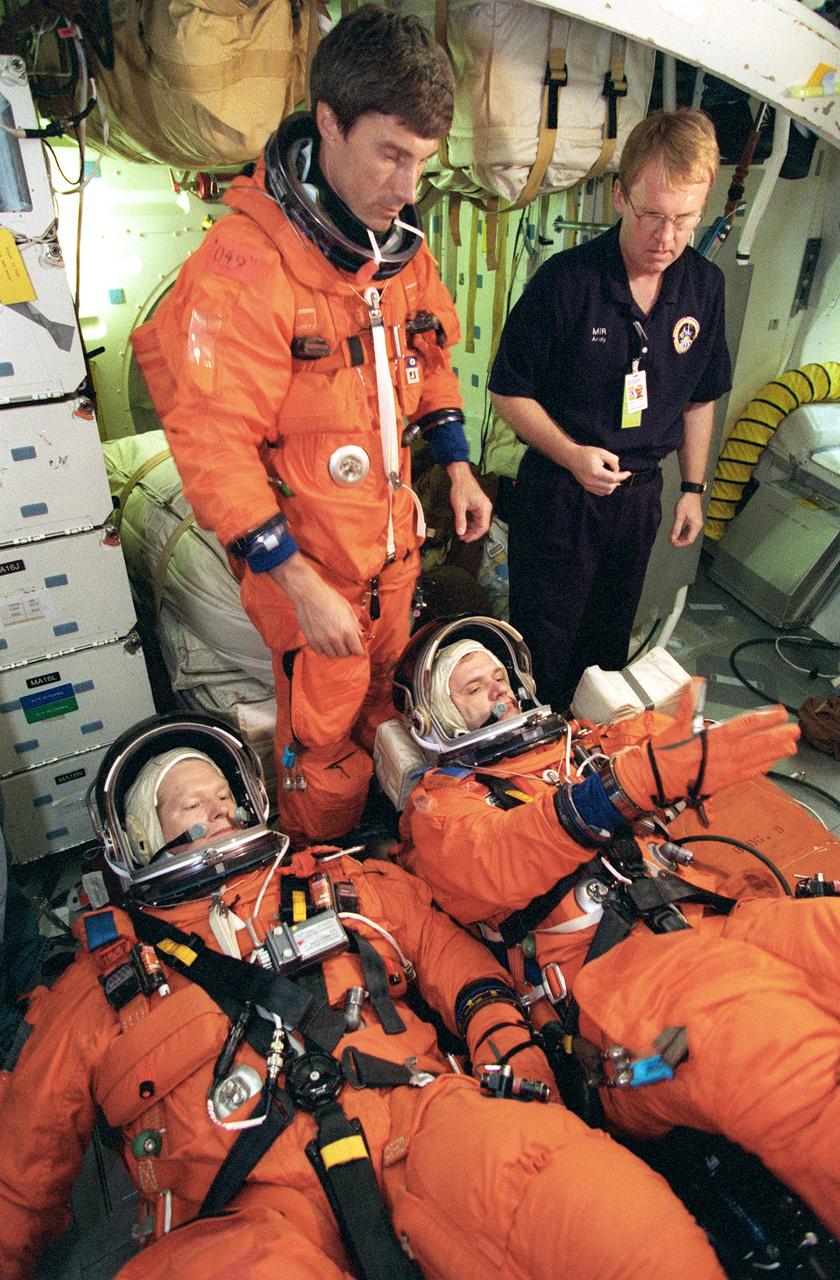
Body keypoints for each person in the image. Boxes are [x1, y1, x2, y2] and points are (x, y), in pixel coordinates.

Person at [0, 713, 729, 1280]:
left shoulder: (345, 884)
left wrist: (509, 1048)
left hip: (425, 1121)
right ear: (136, 838)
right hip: (248, 1210)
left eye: (224, 793)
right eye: (188, 802)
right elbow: (18, 1177)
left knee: (611, 1215)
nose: (215, 809)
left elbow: (455, 963)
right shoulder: (97, 985)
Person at [131, 5, 491, 844]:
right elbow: (212, 446)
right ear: (328, 121)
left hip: (391, 550)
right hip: (309, 567)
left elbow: (427, 358)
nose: (408, 187)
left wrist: (459, 463)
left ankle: (404, 840)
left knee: (384, 702)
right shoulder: (242, 272)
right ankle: (328, 862)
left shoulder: (398, 251)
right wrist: (296, 582)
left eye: (424, 163)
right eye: (391, 154)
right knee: (323, 736)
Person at [392, 616, 840, 1239]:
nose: (497, 690)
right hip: (612, 989)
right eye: (472, 688)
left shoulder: (583, 742)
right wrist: (624, 787)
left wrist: (696, 732)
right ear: (437, 718)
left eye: (500, 676)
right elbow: (497, 855)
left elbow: (660, 740)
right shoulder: (442, 809)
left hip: (709, 914)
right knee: (774, 1049)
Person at [489, 109, 731, 711]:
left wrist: (693, 488)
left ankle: (591, 773)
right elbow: (507, 390)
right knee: (544, 649)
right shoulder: (568, 282)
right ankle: (535, 770)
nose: (666, 238)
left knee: (606, 646)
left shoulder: (703, 286)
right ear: (620, 196)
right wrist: (571, 455)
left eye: (684, 220)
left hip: (638, 499)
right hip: (560, 495)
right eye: (652, 216)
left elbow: (701, 395)